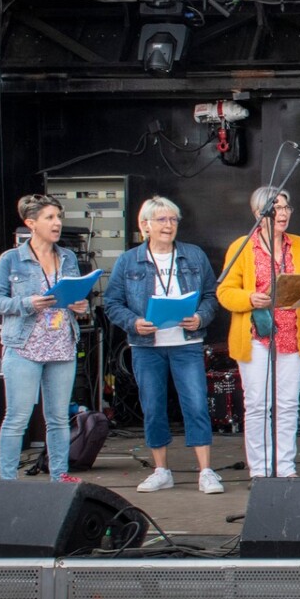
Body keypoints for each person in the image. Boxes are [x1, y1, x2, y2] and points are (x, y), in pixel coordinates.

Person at [102, 195, 223, 494]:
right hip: (146, 346)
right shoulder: (128, 260)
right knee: (153, 407)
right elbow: (112, 302)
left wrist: (201, 317)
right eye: (162, 220)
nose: (169, 226)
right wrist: (133, 322)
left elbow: (211, 295)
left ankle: (206, 471)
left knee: (195, 404)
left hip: (187, 342)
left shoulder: (193, 255)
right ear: (145, 225)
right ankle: (161, 470)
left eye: (173, 220)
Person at [217, 185, 300, 479]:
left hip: (292, 333)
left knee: (288, 404)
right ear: (258, 213)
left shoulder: (299, 244)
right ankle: (260, 471)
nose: (283, 213)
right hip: (256, 334)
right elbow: (224, 292)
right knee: (257, 405)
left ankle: (286, 468)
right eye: (276, 208)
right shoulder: (242, 246)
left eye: (287, 207)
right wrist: (249, 298)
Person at [0, 193, 90, 483]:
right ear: (31, 223)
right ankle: (7, 480)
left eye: (58, 217)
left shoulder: (67, 257)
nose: (57, 223)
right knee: (17, 417)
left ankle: (60, 474)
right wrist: (27, 303)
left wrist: (80, 305)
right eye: (50, 217)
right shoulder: (11, 259)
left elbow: (74, 297)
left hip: (61, 344)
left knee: (58, 417)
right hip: (24, 346)